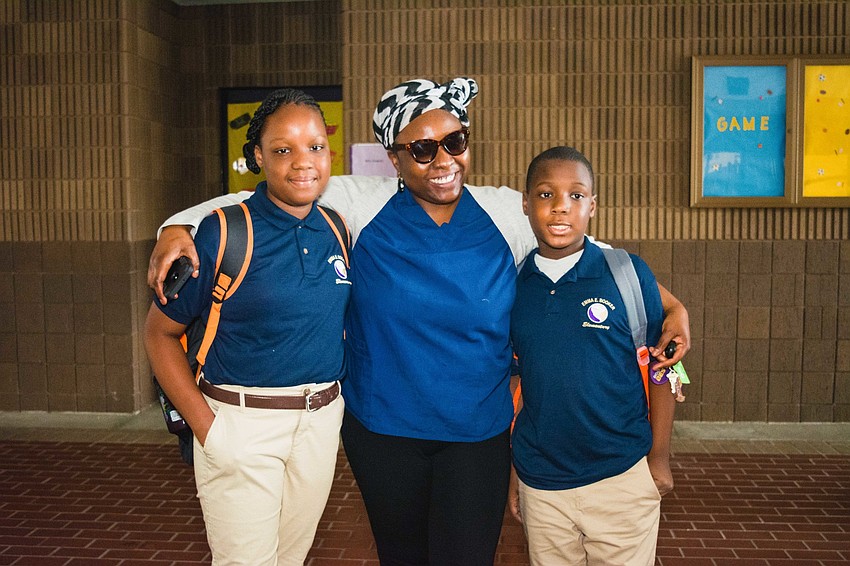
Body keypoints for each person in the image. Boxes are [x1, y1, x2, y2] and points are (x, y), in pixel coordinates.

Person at [147, 78, 690, 565]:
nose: (443, 160)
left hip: (477, 435)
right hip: (383, 433)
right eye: (423, 149)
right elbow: (269, 195)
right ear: (394, 157)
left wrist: (672, 307)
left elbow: (585, 251)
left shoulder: (504, 211)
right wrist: (177, 226)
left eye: (455, 142)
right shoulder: (361, 203)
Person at [143, 88, 349, 566]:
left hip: (319, 426)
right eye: (283, 149)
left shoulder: (337, 228)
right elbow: (159, 334)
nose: (303, 162)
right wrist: (209, 430)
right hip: (241, 425)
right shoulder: (223, 231)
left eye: (315, 146)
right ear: (258, 156)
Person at [508, 146, 676, 566]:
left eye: (576, 195)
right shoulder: (514, 287)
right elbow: (519, 386)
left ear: (593, 206)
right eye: (546, 194)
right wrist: (515, 473)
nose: (561, 207)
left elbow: (667, 368)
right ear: (525, 203)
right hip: (542, 486)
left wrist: (658, 459)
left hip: (621, 479)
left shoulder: (627, 274)